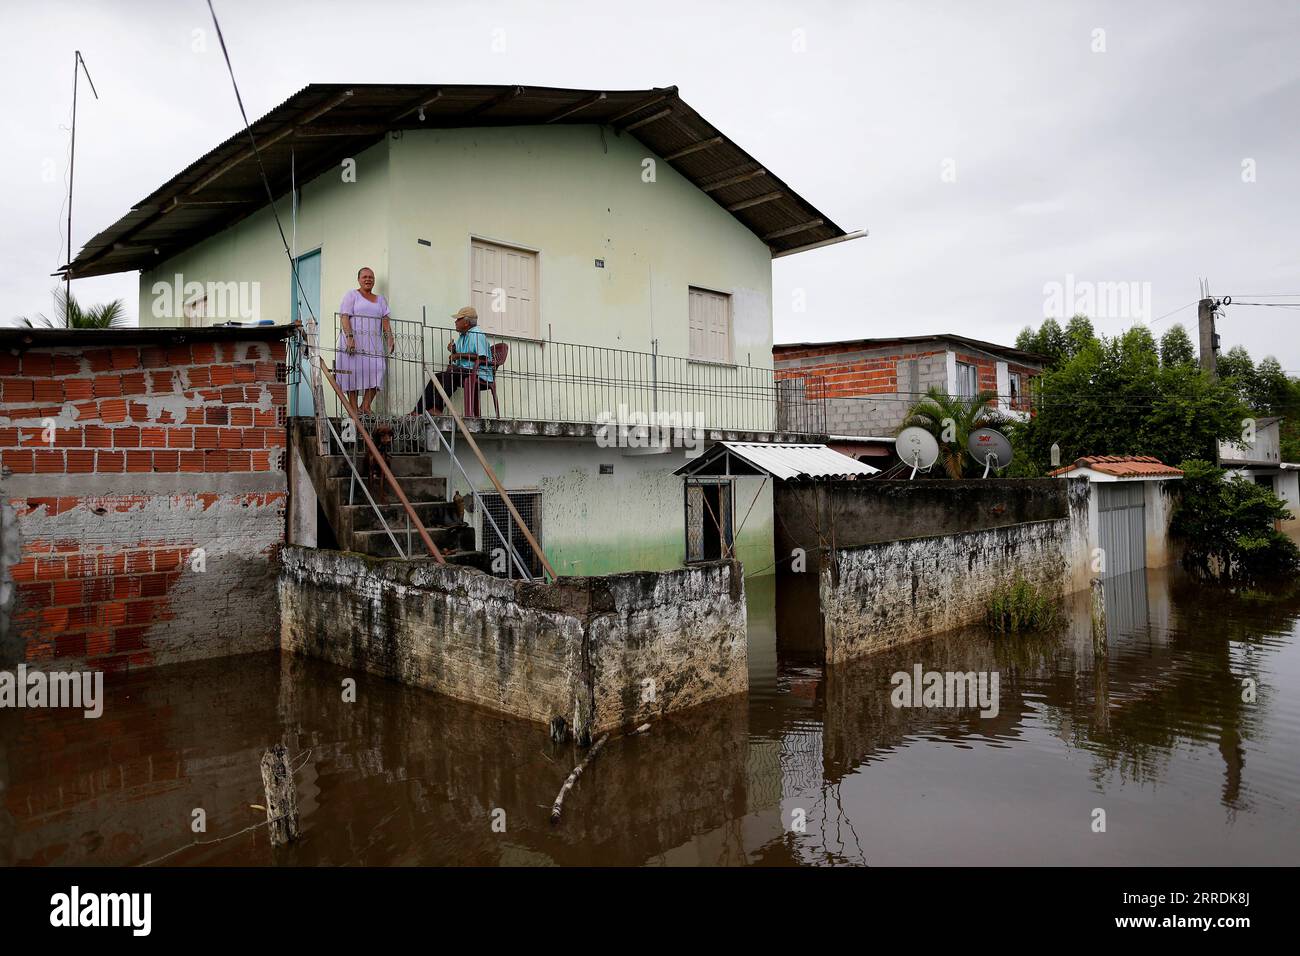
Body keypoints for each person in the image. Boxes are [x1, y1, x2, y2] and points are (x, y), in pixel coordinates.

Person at [336, 267, 395, 414]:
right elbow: (344, 317)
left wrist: (390, 338)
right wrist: (349, 337)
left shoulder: (381, 300)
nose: (368, 279)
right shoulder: (352, 295)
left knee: (378, 369)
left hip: (373, 343)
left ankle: (365, 406)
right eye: (365, 277)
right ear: (359, 279)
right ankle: (354, 409)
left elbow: (385, 321)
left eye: (371, 277)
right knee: (353, 374)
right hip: (354, 341)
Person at [415, 306, 494, 415]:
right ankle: (418, 411)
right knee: (437, 377)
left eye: (458, 319)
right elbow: (463, 357)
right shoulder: (463, 336)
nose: (455, 322)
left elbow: (482, 357)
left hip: (480, 373)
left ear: (466, 322)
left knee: (451, 373)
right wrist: (454, 350)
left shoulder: (477, 334)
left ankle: (437, 408)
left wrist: (458, 355)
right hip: (465, 370)